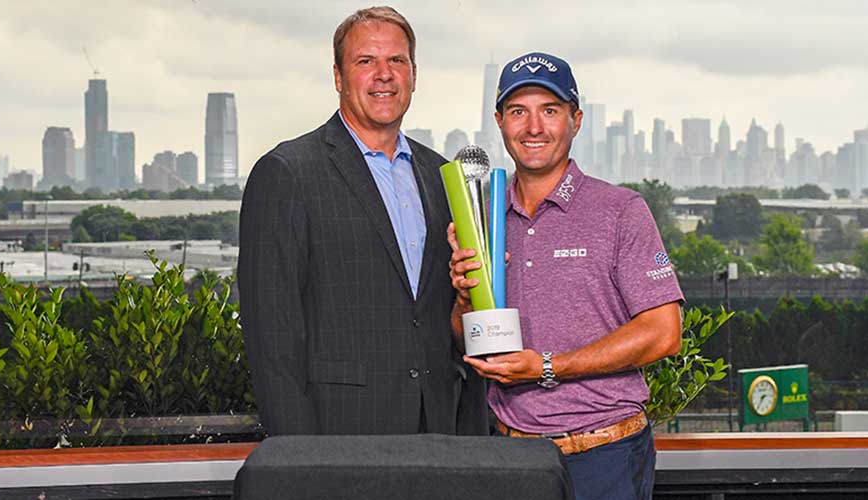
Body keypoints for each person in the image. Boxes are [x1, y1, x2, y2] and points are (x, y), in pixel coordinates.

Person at [238, 6, 486, 436]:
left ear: (414, 75)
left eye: (397, 60)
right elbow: (272, 337)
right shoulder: (287, 173)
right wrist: (298, 457)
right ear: (338, 76)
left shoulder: (442, 175)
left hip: (440, 428)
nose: (384, 75)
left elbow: (445, 314)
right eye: (366, 61)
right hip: (340, 432)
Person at [448, 52, 683, 500]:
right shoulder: (484, 218)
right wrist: (464, 300)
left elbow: (663, 333)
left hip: (604, 453)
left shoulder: (620, 211)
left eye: (550, 111)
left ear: (576, 121)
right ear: (500, 122)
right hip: (511, 454)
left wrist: (548, 367)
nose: (534, 127)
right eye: (519, 111)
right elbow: (466, 341)